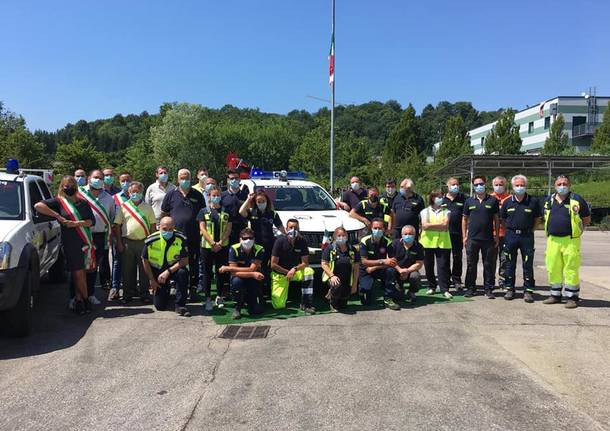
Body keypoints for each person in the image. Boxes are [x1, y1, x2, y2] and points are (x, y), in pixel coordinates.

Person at [35, 176, 95, 315]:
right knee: (77, 272)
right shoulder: (59, 202)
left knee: (81, 273)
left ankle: (79, 299)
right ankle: (85, 300)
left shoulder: (83, 203)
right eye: (66, 186)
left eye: (71, 185)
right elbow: (38, 206)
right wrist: (58, 216)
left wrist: (75, 224)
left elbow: (91, 221)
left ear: (76, 186)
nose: (69, 188)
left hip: (84, 240)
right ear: (62, 187)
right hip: (70, 242)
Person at [542, 175, 590, 309]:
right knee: (553, 267)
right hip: (552, 240)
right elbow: (544, 216)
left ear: (569, 185)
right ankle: (555, 295)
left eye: (565, 183)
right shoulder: (549, 200)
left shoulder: (577, 199)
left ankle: (572, 297)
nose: (562, 186)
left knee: (571, 268)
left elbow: (586, 219)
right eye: (559, 183)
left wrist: (578, 231)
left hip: (570, 241)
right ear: (555, 185)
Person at [161, 168, 205, 294]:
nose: (184, 180)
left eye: (187, 178)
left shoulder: (198, 195)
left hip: (194, 236)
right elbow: (164, 213)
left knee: (193, 262)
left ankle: (193, 286)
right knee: (175, 261)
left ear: (191, 179)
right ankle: (174, 285)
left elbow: (203, 214)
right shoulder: (171, 194)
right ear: (178, 179)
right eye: (182, 178)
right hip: (175, 236)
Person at [113, 181, 157, 303]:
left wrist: (153, 243)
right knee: (127, 270)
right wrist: (119, 242)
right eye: (132, 192)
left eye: (137, 192)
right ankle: (127, 294)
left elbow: (153, 226)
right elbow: (116, 225)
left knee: (144, 269)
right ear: (129, 192)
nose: (135, 194)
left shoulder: (148, 207)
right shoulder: (123, 207)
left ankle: (144, 293)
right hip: (127, 242)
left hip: (144, 242)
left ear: (142, 192)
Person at [500, 175, 541, 303]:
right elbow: (502, 219)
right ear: (512, 187)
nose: (519, 187)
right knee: (509, 263)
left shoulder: (533, 201)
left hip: (527, 236)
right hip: (511, 235)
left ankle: (528, 291)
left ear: (525, 186)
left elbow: (537, 219)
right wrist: (510, 229)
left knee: (527, 264)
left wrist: (531, 230)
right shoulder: (507, 202)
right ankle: (509, 288)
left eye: (522, 185)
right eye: (517, 185)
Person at [77, 169, 115, 305]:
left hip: (99, 236)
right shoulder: (79, 194)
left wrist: (110, 237)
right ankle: (75, 297)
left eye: (100, 178)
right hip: (81, 235)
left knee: (93, 267)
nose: (98, 180)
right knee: (79, 268)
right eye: (95, 177)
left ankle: (90, 294)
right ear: (89, 178)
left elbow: (111, 218)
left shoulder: (109, 199)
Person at [239, 190, 285, 299]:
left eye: (263, 201)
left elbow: (281, 228)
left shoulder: (272, 213)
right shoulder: (252, 212)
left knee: (269, 268)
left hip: (270, 245)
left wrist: (288, 236)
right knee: (258, 268)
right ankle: (258, 291)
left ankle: (269, 291)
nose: (261, 203)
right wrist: (248, 199)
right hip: (256, 246)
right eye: (259, 201)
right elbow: (241, 212)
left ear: (267, 201)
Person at [141, 216, 191, 317]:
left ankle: (180, 305)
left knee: (183, 272)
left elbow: (185, 261)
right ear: (159, 227)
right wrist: (152, 280)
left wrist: (168, 271)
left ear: (174, 228)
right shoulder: (151, 240)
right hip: (157, 273)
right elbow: (144, 259)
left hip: (173, 270)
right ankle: (166, 291)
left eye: (170, 229)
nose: (167, 231)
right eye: (164, 229)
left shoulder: (181, 238)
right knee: (160, 306)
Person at [462, 175, 500, 299]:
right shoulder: (469, 201)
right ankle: (470, 288)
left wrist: (497, 235)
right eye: (476, 184)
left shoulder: (492, 200)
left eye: (481, 184)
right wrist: (464, 236)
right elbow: (464, 219)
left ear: (485, 184)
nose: (479, 186)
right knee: (471, 264)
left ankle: (488, 289)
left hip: (488, 238)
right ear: (473, 186)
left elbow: (496, 219)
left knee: (488, 264)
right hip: (472, 239)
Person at [197, 186, 232, 311]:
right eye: (213, 195)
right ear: (209, 196)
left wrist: (220, 242)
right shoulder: (203, 211)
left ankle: (219, 296)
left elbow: (228, 228)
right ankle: (207, 298)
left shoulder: (226, 211)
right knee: (207, 273)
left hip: (222, 247)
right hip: (207, 247)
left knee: (220, 272)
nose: (216, 197)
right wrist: (212, 243)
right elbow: (202, 228)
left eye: (218, 195)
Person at [270, 219, 316, 314]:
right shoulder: (279, 241)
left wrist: (294, 269)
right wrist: (287, 272)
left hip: (294, 272)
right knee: (278, 305)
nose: (293, 230)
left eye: (296, 228)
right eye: (291, 227)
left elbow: (305, 263)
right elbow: (273, 264)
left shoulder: (302, 241)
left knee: (308, 271)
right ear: (286, 229)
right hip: (280, 274)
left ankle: (306, 303)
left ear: (299, 229)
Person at [219, 227, 266, 320]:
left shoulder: (259, 249)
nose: (248, 240)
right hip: (241, 277)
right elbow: (234, 273)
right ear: (240, 239)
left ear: (254, 239)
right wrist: (252, 273)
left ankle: (251, 302)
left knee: (256, 310)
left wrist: (227, 268)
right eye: (245, 238)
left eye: (250, 238)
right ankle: (237, 308)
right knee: (236, 282)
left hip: (254, 278)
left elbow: (252, 269)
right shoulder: (234, 248)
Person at [358, 218, 398, 309]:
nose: (377, 230)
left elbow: (392, 261)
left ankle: (388, 298)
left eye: (380, 228)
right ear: (371, 228)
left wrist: (375, 267)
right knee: (366, 301)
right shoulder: (364, 241)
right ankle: (361, 289)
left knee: (391, 270)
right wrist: (383, 261)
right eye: (375, 228)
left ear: (384, 229)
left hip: (379, 269)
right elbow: (364, 261)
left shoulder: (388, 242)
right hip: (366, 270)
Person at [420, 191, 452, 299]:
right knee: (429, 266)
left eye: (441, 197)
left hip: (443, 243)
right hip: (427, 242)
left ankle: (445, 289)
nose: (441, 198)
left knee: (443, 267)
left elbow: (445, 226)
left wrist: (431, 225)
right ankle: (431, 286)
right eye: (438, 197)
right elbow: (424, 226)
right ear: (432, 198)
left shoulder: (447, 211)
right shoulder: (425, 211)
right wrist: (439, 225)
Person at [321, 227, 360, 312]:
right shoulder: (330, 248)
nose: (341, 237)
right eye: (339, 235)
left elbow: (356, 268)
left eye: (343, 235)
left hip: (347, 279)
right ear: (334, 237)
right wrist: (332, 276)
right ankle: (332, 302)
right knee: (336, 285)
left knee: (343, 304)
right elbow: (324, 264)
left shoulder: (352, 250)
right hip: (332, 277)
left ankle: (339, 299)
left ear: (347, 236)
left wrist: (354, 284)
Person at [108, 171, 132, 301]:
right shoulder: (114, 198)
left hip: (132, 235)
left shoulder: (138, 196)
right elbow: (111, 218)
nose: (125, 183)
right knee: (117, 262)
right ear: (119, 182)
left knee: (132, 263)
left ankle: (131, 288)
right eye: (123, 181)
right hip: (118, 234)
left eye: (128, 180)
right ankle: (115, 288)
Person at [387, 225, 424, 305]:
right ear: (402, 235)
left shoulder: (419, 246)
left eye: (410, 234)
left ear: (415, 235)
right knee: (398, 297)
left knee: (415, 276)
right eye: (405, 234)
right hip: (397, 271)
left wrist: (407, 271)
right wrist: (400, 270)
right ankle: (399, 288)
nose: (408, 236)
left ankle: (411, 292)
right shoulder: (394, 244)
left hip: (410, 271)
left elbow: (419, 264)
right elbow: (390, 261)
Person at [442, 177, 466, 291]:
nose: (455, 186)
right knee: (445, 258)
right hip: (444, 234)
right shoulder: (441, 200)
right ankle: (446, 280)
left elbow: (467, 217)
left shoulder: (464, 199)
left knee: (457, 257)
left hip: (458, 234)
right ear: (447, 186)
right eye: (452, 184)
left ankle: (456, 280)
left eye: (457, 184)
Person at [490, 176, 511, 289]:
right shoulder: (489, 198)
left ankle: (503, 280)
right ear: (492, 185)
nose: (499, 186)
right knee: (491, 259)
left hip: (506, 234)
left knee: (504, 259)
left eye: (501, 184)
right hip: (492, 234)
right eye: (496, 184)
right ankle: (490, 280)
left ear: (505, 185)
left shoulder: (510, 198)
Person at [221, 169, 250, 246]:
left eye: (236, 178)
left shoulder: (246, 195)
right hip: (226, 231)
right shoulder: (222, 196)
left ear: (240, 179)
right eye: (232, 178)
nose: (234, 180)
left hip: (242, 231)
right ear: (228, 180)